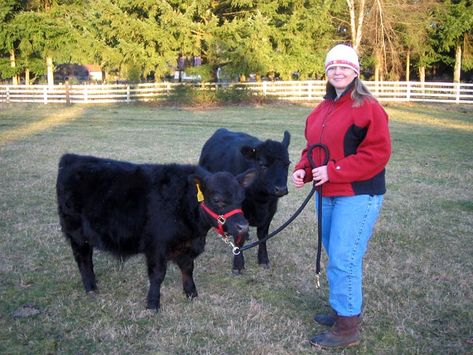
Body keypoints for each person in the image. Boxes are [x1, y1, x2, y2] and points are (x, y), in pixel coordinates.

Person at [292, 44, 391, 348]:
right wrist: (303, 170)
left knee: (344, 259)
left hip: (357, 195)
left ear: (356, 71)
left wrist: (333, 171)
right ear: (326, 72)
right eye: (332, 66)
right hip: (327, 193)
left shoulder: (368, 107)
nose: (337, 71)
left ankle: (348, 327)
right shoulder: (321, 110)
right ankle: (341, 309)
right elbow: (314, 150)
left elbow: (377, 153)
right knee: (336, 254)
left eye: (344, 66)